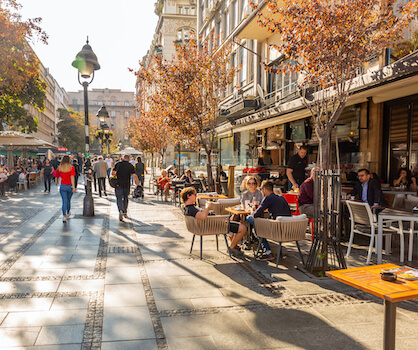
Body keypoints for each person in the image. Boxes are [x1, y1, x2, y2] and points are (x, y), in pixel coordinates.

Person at [181, 186, 247, 257]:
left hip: (212, 223)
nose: (196, 196)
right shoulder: (191, 209)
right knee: (243, 228)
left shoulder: (186, 207)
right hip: (214, 225)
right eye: (194, 194)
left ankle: (234, 246)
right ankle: (232, 248)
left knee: (232, 221)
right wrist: (207, 207)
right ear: (188, 196)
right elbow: (203, 216)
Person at [247, 180, 292, 260]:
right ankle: (263, 246)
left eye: (261, 189)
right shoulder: (281, 197)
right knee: (259, 226)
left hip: (275, 229)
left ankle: (267, 252)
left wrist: (252, 210)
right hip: (288, 229)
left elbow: (255, 215)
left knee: (250, 219)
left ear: (264, 190)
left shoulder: (267, 198)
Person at [114, 154, 139, 221]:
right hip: (126, 184)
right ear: (128, 159)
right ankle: (125, 211)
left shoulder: (118, 164)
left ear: (123, 158)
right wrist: (137, 184)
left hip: (118, 184)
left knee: (119, 198)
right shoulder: (130, 166)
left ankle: (120, 210)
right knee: (125, 198)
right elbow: (134, 176)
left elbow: (113, 173)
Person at [55, 155, 76, 222]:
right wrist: (73, 186)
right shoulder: (71, 168)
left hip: (63, 186)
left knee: (64, 201)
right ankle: (68, 212)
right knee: (68, 200)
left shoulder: (60, 167)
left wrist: (57, 182)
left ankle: (64, 216)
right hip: (69, 186)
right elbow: (72, 177)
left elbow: (57, 176)